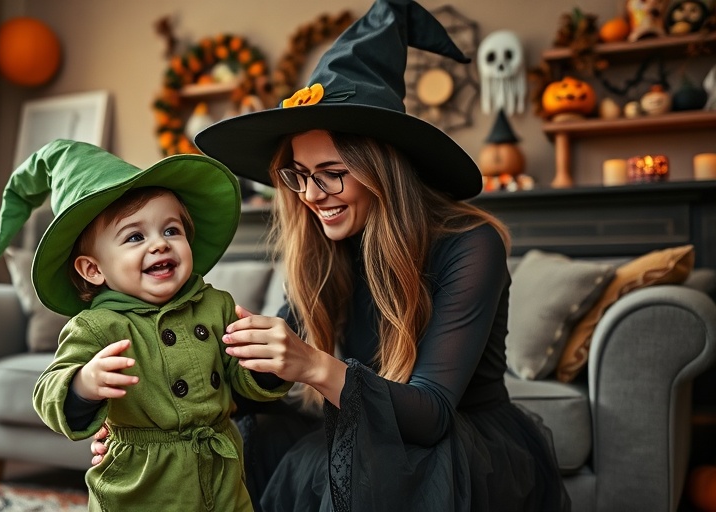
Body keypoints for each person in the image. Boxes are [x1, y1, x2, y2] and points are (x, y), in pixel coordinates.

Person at [94, 0, 572, 510]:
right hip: (367, 425)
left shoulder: (471, 244)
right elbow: (265, 376)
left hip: (454, 442)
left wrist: (311, 364)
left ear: (382, 167)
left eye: (332, 173)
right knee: (256, 427)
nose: (312, 195)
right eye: (299, 175)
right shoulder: (328, 247)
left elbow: (430, 416)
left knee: (350, 461)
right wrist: (148, 419)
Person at [0, 139, 291, 512]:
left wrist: (264, 367)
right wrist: (84, 384)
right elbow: (48, 390)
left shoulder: (216, 305)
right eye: (135, 237)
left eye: (171, 231)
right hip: (141, 483)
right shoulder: (97, 326)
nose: (159, 245)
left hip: (219, 470)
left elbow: (243, 384)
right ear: (93, 269)